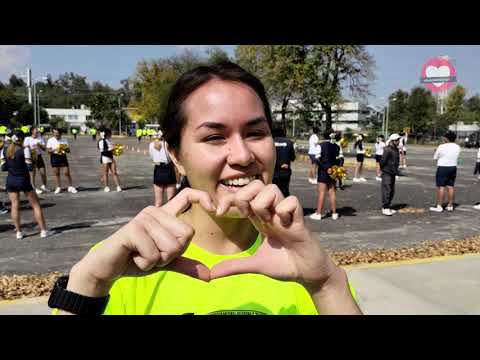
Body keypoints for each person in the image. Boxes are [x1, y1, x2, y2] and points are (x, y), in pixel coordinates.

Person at [49, 62, 361, 315]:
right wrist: (87, 286)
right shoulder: (126, 265)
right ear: (176, 156)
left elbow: (323, 283)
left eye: (255, 133)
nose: (242, 155)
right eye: (214, 137)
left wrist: (326, 285)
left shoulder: (301, 260)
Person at [1, 131, 53, 239]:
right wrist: (32, 161)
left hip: (10, 180)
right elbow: (30, 167)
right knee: (36, 205)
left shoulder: (5, 150)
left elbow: (3, 168)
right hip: (23, 180)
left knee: (15, 206)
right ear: (21, 139)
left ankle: (18, 232)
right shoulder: (24, 149)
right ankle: (43, 231)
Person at [310, 130, 340, 221]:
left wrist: (326, 168)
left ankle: (318, 213)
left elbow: (317, 159)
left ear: (324, 135)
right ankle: (334, 213)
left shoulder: (321, 145)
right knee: (332, 192)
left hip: (324, 171)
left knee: (322, 192)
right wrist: (336, 169)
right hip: (334, 171)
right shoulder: (337, 146)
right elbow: (339, 159)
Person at [429, 131, 461, 212]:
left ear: (446, 138)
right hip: (453, 167)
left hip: (443, 167)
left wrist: (436, 151)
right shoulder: (457, 147)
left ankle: (439, 206)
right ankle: (450, 205)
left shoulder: (441, 146)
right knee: (450, 186)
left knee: (441, 186)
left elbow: (435, 157)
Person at [149, 131, 176, 207]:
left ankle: (157, 217)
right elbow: (172, 158)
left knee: (158, 202)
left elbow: (152, 157)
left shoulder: (151, 144)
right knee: (171, 201)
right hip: (169, 170)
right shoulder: (168, 144)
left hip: (158, 170)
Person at [46, 128, 78, 194]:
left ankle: (70, 187)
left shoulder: (64, 140)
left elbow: (68, 151)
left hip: (63, 156)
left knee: (67, 172)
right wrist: (56, 149)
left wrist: (65, 149)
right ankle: (58, 187)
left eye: (57, 133)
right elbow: (48, 151)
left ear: (60, 133)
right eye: (54, 133)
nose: (56, 134)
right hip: (54, 157)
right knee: (56, 173)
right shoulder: (50, 140)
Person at [23, 127, 50, 194]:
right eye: (36, 130)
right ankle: (33, 187)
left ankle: (44, 186)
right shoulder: (27, 138)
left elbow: (44, 149)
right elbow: (24, 146)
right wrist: (31, 148)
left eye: (38, 130)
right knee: (33, 173)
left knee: (43, 172)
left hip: (39, 156)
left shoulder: (40, 138)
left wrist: (40, 145)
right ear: (32, 131)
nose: (38, 131)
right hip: (31, 156)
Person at [379, 134, 401, 216]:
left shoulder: (396, 149)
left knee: (392, 190)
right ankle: (385, 207)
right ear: (392, 141)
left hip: (392, 172)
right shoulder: (388, 149)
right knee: (387, 190)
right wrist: (384, 170)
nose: (398, 141)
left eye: (398, 140)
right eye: (396, 140)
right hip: (387, 172)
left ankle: (388, 206)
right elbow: (382, 161)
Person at [272, 126, 295, 197]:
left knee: (272, 192)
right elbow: (292, 158)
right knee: (284, 191)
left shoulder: (271, 142)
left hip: (273, 172)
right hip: (285, 171)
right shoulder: (289, 142)